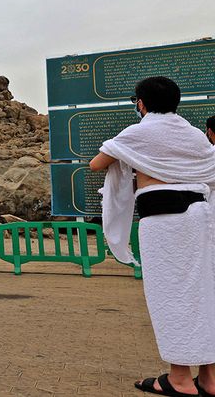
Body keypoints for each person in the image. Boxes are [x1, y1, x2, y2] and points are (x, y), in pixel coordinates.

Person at [90, 76, 215, 397]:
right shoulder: (194, 135)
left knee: (170, 295)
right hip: (201, 217)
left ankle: (180, 379)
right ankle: (211, 379)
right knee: (205, 294)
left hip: (165, 220)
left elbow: (96, 163)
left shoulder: (140, 131)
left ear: (141, 104)